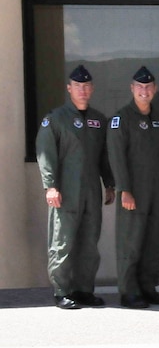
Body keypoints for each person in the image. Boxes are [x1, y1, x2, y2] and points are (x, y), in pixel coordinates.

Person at [36, 65, 115, 310]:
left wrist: (109, 183)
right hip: (66, 191)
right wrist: (50, 186)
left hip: (91, 191)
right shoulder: (56, 119)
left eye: (86, 86)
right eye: (77, 86)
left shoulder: (98, 120)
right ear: (69, 89)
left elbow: (104, 156)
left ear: (91, 89)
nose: (82, 90)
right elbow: (45, 154)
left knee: (89, 243)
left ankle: (83, 290)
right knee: (64, 241)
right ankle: (63, 291)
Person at [107, 66, 159, 309]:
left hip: (156, 190)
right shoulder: (121, 119)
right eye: (140, 87)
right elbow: (116, 157)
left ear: (154, 89)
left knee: (155, 242)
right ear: (132, 89)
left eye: (148, 87)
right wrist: (123, 189)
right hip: (133, 191)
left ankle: (148, 287)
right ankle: (129, 292)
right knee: (131, 242)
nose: (144, 91)